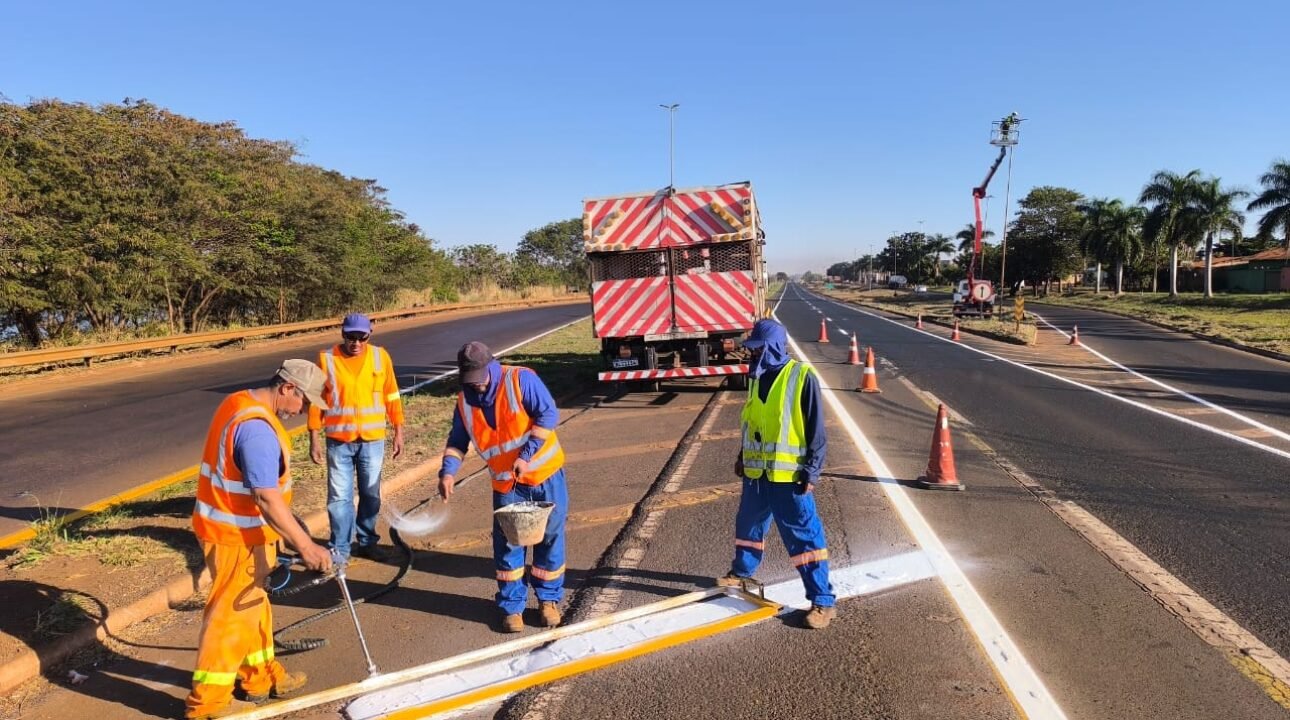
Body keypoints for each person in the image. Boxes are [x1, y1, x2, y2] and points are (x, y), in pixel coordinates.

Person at [186, 360, 334, 719]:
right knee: (230, 617)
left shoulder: (239, 402)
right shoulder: (257, 431)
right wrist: (306, 546)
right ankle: (208, 704)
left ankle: (260, 677)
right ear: (287, 388)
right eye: (304, 402)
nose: (304, 411)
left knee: (253, 607)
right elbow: (266, 497)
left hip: (241, 531)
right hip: (235, 536)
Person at [438, 341, 568, 633]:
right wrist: (447, 473)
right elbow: (458, 441)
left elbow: (548, 414)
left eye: (480, 378)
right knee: (509, 545)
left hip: (545, 474)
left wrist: (526, 455)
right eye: (470, 380)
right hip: (507, 484)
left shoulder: (520, 380)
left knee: (550, 538)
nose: (477, 386)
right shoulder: (465, 401)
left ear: (491, 367)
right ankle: (512, 608)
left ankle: (548, 601)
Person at [718, 318, 837, 629]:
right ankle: (741, 573)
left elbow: (816, 430)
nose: (753, 354)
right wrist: (742, 456)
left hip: (790, 478)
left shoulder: (802, 377)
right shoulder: (756, 378)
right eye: (752, 350)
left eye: (758, 349)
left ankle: (823, 601)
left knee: (804, 537)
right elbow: (752, 422)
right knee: (748, 526)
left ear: (773, 347)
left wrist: (812, 471)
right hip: (757, 474)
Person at [308, 313, 405, 561]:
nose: (356, 343)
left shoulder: (380, 357)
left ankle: (367, 542)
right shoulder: (327, 359)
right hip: (339, 441)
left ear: (369, 335)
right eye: (351, 337)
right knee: (339, 497)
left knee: (370, 494)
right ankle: (340, 548)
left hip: (372, 441)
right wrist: (314, 436)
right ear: (343, 334)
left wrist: (398, 430)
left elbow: (392, 394)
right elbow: (316, 401)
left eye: (362, 337)